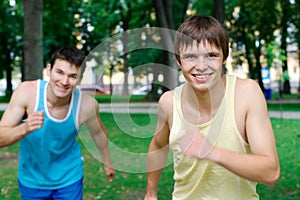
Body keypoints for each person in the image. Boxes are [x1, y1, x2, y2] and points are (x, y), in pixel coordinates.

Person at [144, 15, 280, 199]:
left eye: (211, 55)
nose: (201, 66)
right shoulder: (169, 102)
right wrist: (151, 192)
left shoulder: (247, 94)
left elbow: (270, 172)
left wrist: (213, 152)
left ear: (224, 57)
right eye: (190, 56)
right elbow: (158, 145)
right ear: (178, 60)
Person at [0, 46, 115, 199]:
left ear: (80, 79)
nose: (64, 82)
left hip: (69, 178)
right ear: (49, 70)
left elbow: (98, 133)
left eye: (73, 76)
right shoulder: (27, 93)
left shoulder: (87, 105)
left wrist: (107, 162)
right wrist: (25, 127)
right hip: (32, 179)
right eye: (59, 72)